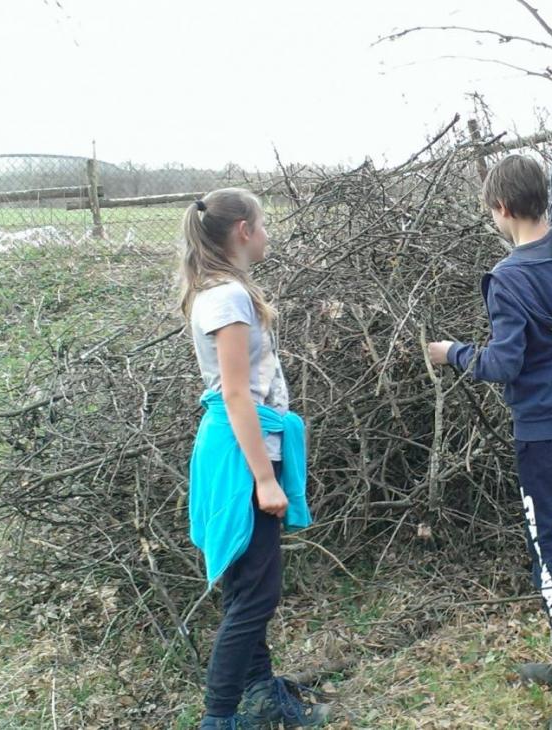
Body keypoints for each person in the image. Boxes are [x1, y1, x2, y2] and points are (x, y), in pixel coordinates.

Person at [427, 84, 552, 730]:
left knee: (551, 549)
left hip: (543, 432)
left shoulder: (511, 278)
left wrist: (450, 352)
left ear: (503, 209)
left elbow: (503, 363)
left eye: (492, 213)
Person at [180, 189, 330, 729]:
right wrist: (265, 480)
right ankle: (219, 719)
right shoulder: (227, 298)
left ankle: (262, 696)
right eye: (263, 225)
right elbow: (236, 395)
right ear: (243, 230)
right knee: (255, 597)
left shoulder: (224, 292)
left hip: (241, 449)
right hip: (242, 458)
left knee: (250, 588)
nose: (268, 234)